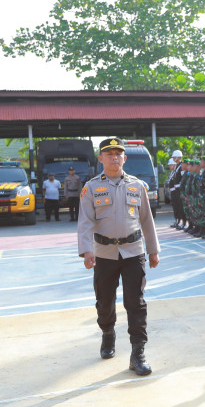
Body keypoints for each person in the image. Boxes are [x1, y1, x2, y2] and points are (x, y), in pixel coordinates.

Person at [77, 137, 160, 376]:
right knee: (104, 301)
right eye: (109, 153)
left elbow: (147, 220)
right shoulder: (91, 187)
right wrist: (87, 250)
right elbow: (85, 222)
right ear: (101, 158)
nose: (114, 157)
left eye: (118, 153)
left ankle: (138, 353)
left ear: (124, 158)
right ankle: (107, 334)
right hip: (104, 254)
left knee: (136, 302)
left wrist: (153, 250)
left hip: (134, 252)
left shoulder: (137, 186)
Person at [168, 150, 186, 229]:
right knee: (177, 206)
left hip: (179, 189)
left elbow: (182, 178)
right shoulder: (178, 167)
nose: (174, 158)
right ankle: (179, 222)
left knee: (181, 207)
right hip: (175, 190)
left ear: (179, 157)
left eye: (175, 157)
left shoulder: (181, 166)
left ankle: (184, 223)